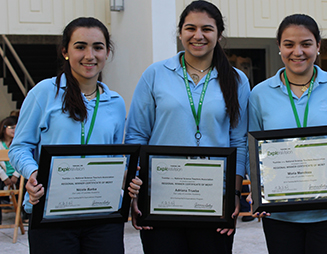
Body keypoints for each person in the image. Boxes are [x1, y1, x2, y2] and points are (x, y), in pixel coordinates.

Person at [125, 1, 250, 253]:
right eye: (190, 28)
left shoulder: (237, 80)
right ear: (180, 32)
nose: (198, 35)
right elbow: (137, 135)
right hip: (161, 196)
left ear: (219, 34)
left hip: (214, 198)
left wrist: (235, 194)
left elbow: (238, 142)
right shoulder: (155, 74)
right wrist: (134, 190)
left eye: (207, 29)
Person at [8, 17, 141, 254]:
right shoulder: (43, 93)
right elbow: (19, 148)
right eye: (80, 46)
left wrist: (126, 178)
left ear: (107, 52)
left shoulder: (116, 103)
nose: (90, 55)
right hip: (52, 211)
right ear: (65, 51)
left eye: (98, 47)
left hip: (102, 212)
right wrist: (34, 173)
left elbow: (112, 157)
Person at [248, 14, 327, 254]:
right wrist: (259, 187)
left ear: (318, 46)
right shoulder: (260, 94)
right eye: (289, 44)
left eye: (306, 44)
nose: (297, 51)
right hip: (281, 217)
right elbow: (253, 148)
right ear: (279, 47)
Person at [0, 116, 20, 224]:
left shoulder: (18, 143)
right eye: (12, 127)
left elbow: (23, 160)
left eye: (17, 127)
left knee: (28, 181)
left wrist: (16, 175)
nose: (14, 130)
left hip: (17, 173)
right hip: (3, 174)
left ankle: (25, 214)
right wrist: (4, 177)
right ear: (4, 128)